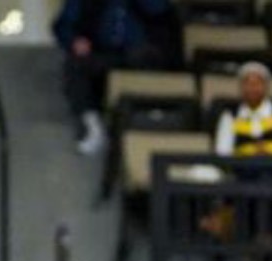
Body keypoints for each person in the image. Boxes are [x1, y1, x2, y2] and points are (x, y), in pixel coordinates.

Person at [53, 0, 179, 155]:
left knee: (149, 56)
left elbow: (162, 13)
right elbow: (62, 26)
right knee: (75, 65)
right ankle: (91, 124)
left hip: (138, 54)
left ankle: (148, 123)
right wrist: (74, 41)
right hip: (100, 52)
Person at [214, 61, 272, 158]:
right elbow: (222, 154)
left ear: (266, 86)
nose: (252, 88)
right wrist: (249, 156)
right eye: (248, 83)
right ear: (241, 87)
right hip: (243, 170)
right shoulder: (230, 115)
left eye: (258, 83)